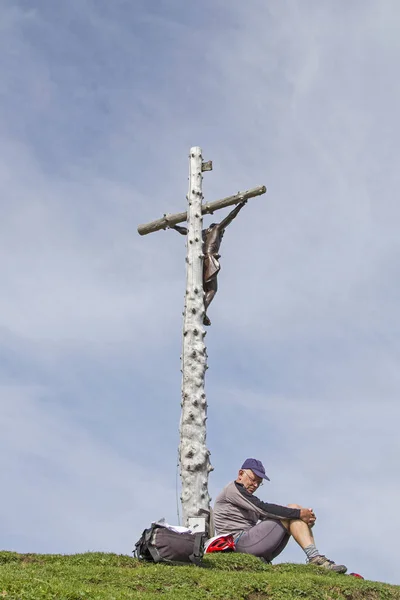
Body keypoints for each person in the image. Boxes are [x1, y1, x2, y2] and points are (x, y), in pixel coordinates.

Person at [213, 458, 347, 573]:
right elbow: (263, 508)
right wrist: (299, 514)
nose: (255, 485)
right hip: (236, 544)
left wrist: (302, 520)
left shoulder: (246, 498)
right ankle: (315, 558)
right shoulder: (233, 489)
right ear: (241, 474)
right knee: (293, 509)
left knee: (293, 511)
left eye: (259, 482)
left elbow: (266, 517)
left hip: (250, 543)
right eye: (253, 479)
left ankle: (315, 557)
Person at [170, 201, 247, 325]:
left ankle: (200, 308)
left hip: (199, 260)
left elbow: (185, 231)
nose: (221, 236)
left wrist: (173, 226)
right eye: (222, 234)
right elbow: (230, 217)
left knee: (202, 288)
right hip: (209, 258)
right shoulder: (216, 229)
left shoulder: (201, 234)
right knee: (212, 289)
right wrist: (241, 205)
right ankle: (202, 310)